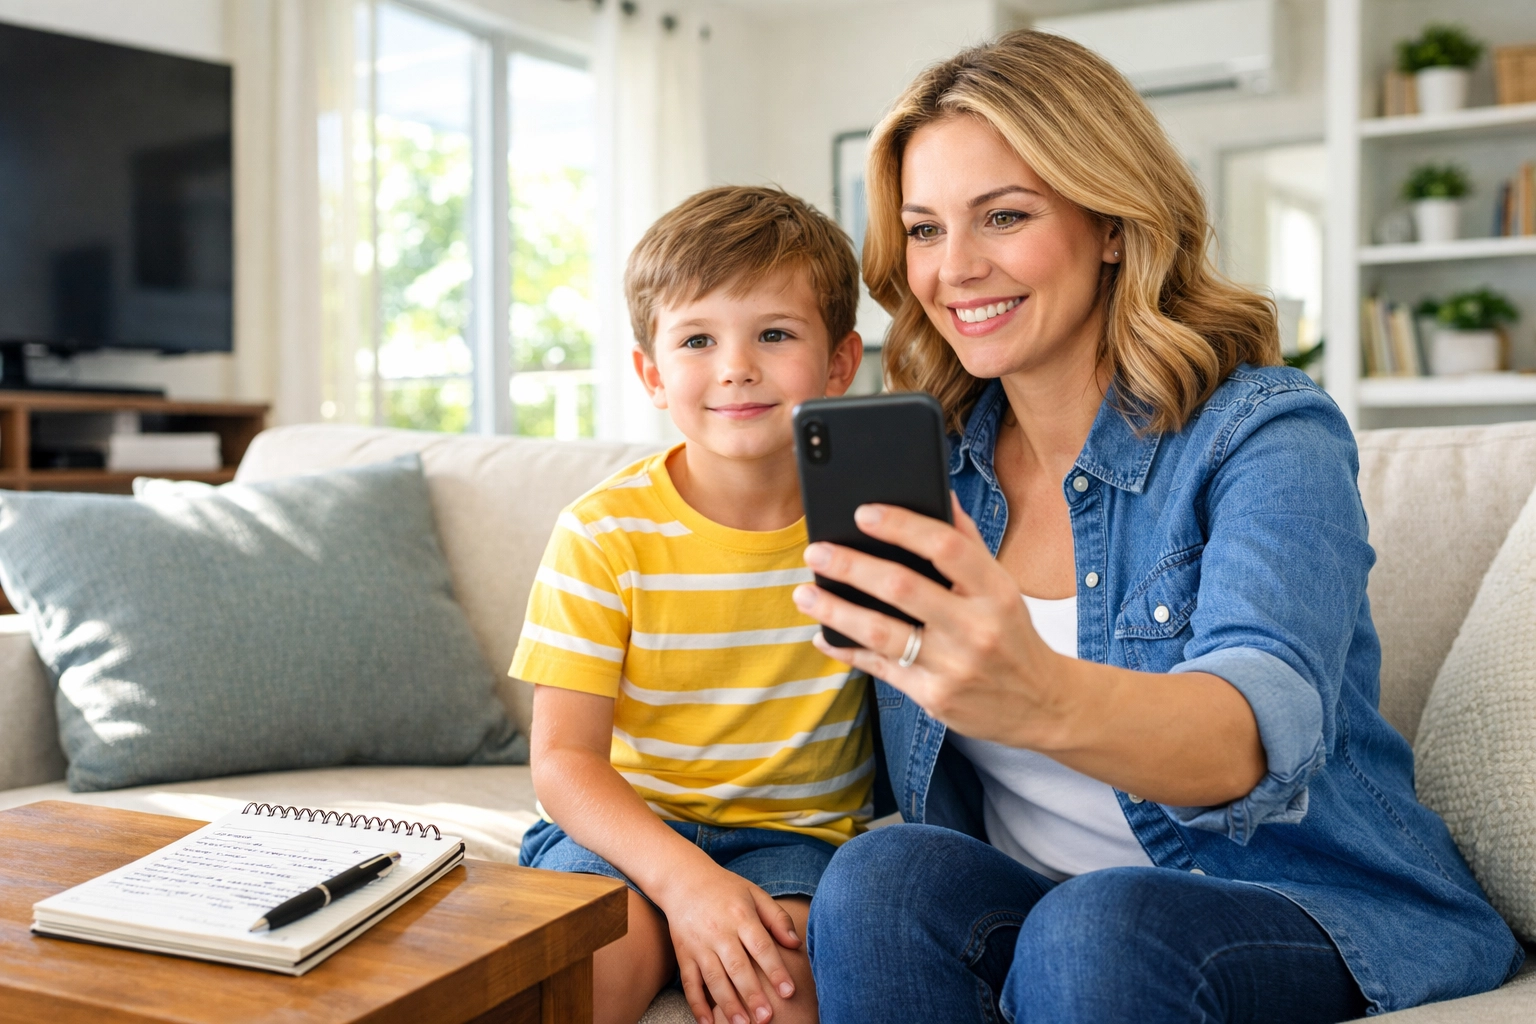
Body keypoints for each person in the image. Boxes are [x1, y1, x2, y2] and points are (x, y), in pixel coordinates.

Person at [794, 31, 1522, 1024]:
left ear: (1110, 222)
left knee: (1101, 924)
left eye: (1003, 216)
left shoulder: (1266, 433)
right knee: (885, 875)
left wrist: (1035, 690)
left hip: (1298, 901)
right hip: (1045, 905)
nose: (954, 268)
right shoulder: (939, 467)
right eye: (923, 230)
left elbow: (1245, 738)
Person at [512, 185, 869, 1024]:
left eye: (774, 335)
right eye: (698, 339)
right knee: (596, 971)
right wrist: (684, 881)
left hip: (796, 845)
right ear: (651, 372)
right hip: (621, 832)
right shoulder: (603, 534)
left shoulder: (872, 521)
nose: (736, 366)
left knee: (778, 996)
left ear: (841, 363)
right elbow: (564, 761)